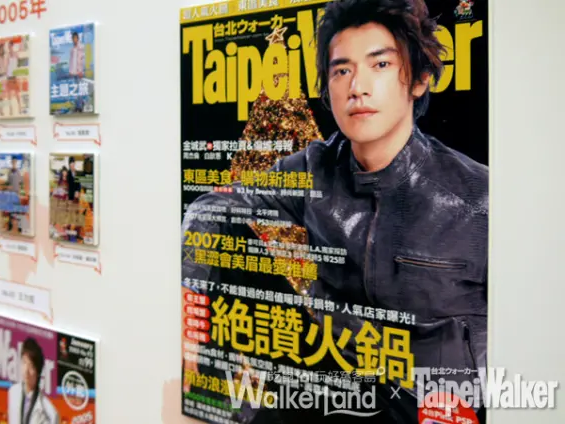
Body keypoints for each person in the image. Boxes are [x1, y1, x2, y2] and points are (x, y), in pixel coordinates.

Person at [181, 0, 488, 422]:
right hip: (336, 382)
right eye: (342, 70)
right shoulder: (314, 167)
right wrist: (191, 303)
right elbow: (213, 205)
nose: (357, 87)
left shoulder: (480, 196)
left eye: (380, 65)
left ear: (418, 80)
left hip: (431, 404)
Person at [7, 338, 59, 424]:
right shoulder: (13, 392)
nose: (26, 370)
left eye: (31, 366)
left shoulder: (49, 412)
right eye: (24, 362)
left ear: (38, 371)